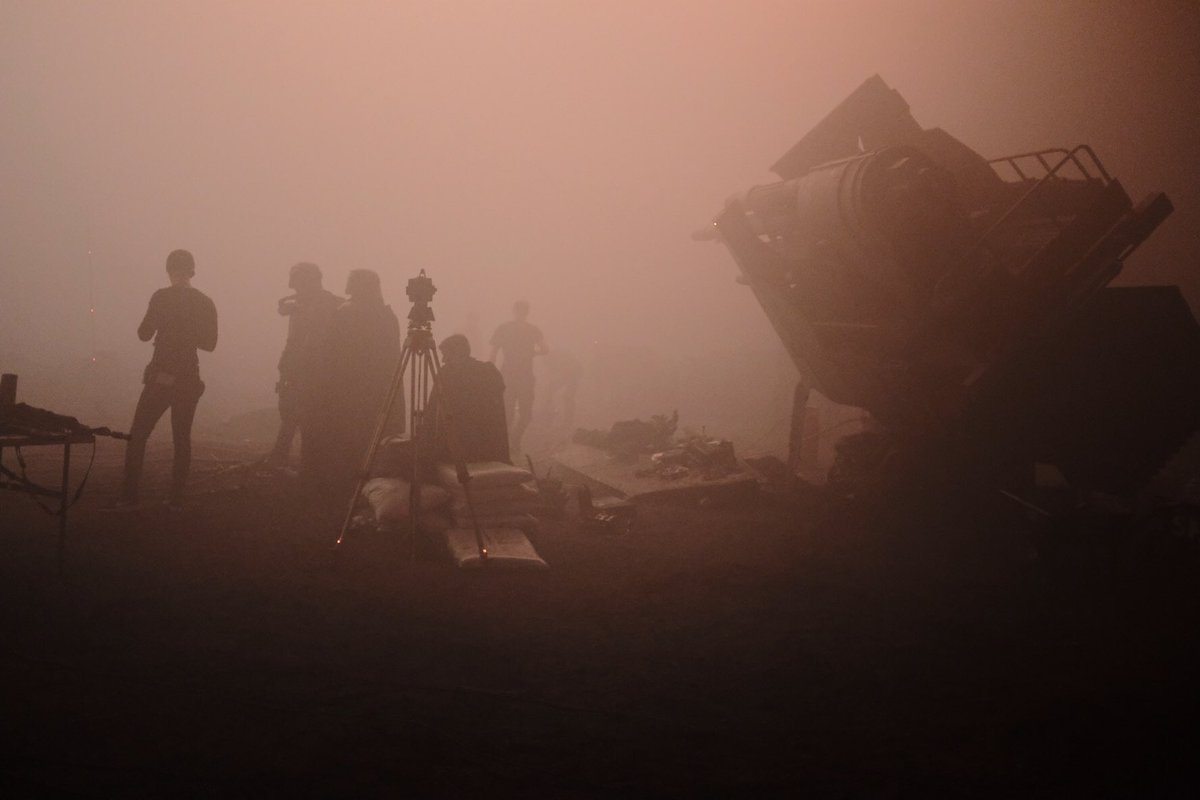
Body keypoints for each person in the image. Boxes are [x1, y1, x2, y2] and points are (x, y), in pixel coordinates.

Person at [117, 249, 217, 508]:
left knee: (138, 435)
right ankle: (176, 498)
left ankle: (129, 497)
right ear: (192, 271)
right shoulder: (205, 302)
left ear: (169, 270)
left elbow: (143, 334)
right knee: (181, 439)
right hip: (189, 378)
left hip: (160, 376)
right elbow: (210, 344)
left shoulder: (161, 297)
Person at [318, 269, 401, 488]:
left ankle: (346, 483)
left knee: (348, 437)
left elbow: (329, 352)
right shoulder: (386, 315)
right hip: (378, 388)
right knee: (371, 437)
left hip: (348, 388)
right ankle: (368, 483)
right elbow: (393, 356)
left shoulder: (345, 313)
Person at [267, 262, 341, 470]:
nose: (296, 288)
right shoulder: (303, 302)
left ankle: (306, 464)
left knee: (308, 417)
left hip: (314, 370)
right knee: (289, 412)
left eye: (299, 283)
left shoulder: (329, 303)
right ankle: (282, 455)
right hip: (295, 367)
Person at [427, 334, 510, 464]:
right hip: (488, 443)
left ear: (458, 354)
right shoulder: (488, 371)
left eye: (447, 355)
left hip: (459, 445)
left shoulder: (447, 375)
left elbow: (432, 410)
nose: (443, 360)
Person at [489, 300, 546, 452]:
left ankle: (505, 443)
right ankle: (515, 440)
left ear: (514, 310)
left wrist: (490, 374)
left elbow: (493, 355)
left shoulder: (503, 328)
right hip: (526, 376)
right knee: (526, 414)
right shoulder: (533, 330)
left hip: (507, 375)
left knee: (507, 413)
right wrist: (533, 353)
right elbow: (545, 349)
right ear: (527, 312)